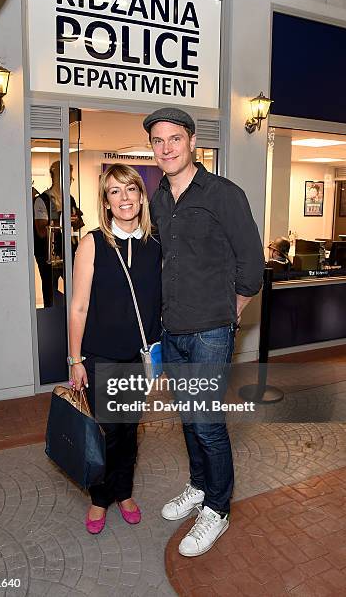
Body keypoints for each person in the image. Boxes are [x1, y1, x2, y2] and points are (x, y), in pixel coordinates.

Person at [143, 107, 264, 557]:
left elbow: (252, 264)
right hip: (172, 330)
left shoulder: (222, 194)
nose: (167, 147)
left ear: (192, 142)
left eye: (175, 138)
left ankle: (217, 507)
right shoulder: (159, 199)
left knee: (208, 423)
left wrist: (229, 312)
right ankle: (197, 486)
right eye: (158, 141)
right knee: (188, 419)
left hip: (210, 332)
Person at [68, 163, 161, 534]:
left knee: (129, 428)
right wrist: (75, 358)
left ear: (141, 195)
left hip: (139, 357)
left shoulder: (155, 246)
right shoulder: (92, 243)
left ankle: (124, 492)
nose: (124, 198)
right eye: (115, 192)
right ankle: (99, 497)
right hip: (101, 357)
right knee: (108, 430)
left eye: (131, 190)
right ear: (106, 203)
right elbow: (78, 306)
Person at [34, 161, 84, 307]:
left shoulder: (70, 199)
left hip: (67, 251)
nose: (70, 180)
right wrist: (66, 220)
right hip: (48, 254)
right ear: (57, 176)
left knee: (76, 287)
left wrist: (72, 220)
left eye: (71, 177)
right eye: (68, 176)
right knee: (50, 291)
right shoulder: (41, 200)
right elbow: (42, 232)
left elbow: (79, 223)